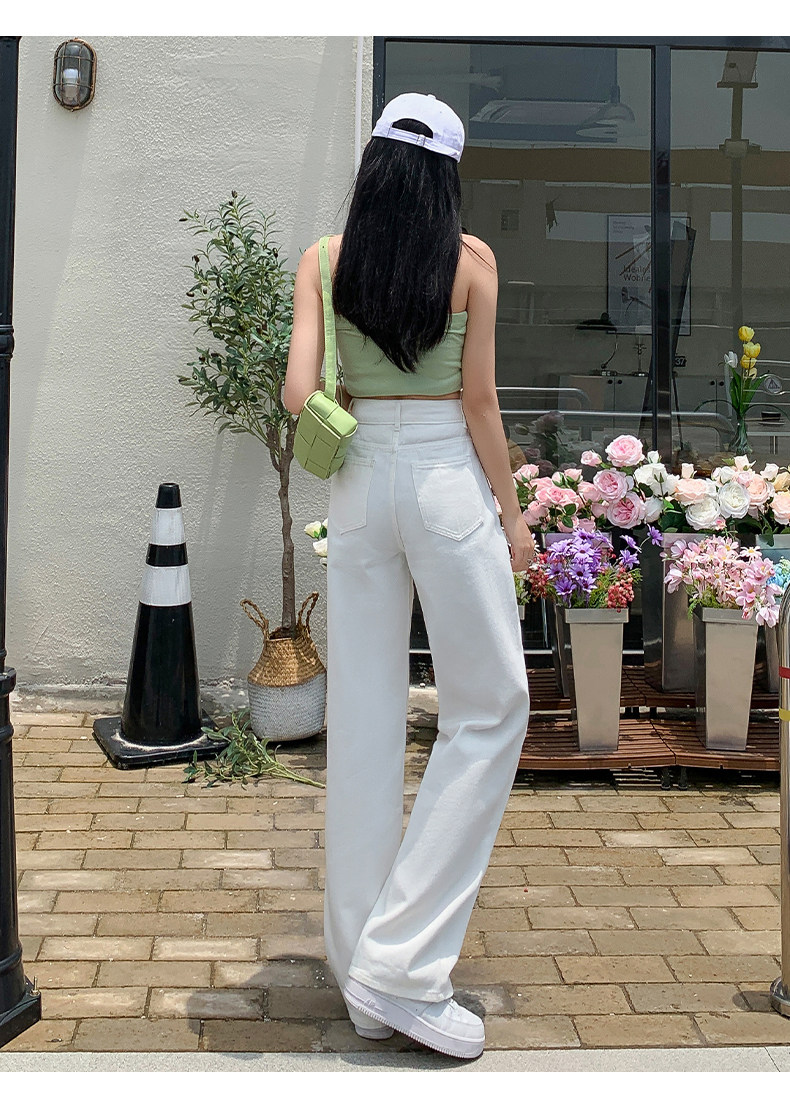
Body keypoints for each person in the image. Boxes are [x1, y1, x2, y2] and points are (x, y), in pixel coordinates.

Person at [283, 92, 534, 1060]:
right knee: (492, 704)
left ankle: (362, 976)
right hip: (441, 478)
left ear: (376, 167)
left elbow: (298, 392)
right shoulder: (472, 261)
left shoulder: (323, 258)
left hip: (356, 480)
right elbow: (480, 401)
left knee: (363, 720)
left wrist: (353, 416)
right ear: (445, 177)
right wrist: (512, 517)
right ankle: (403, 963)